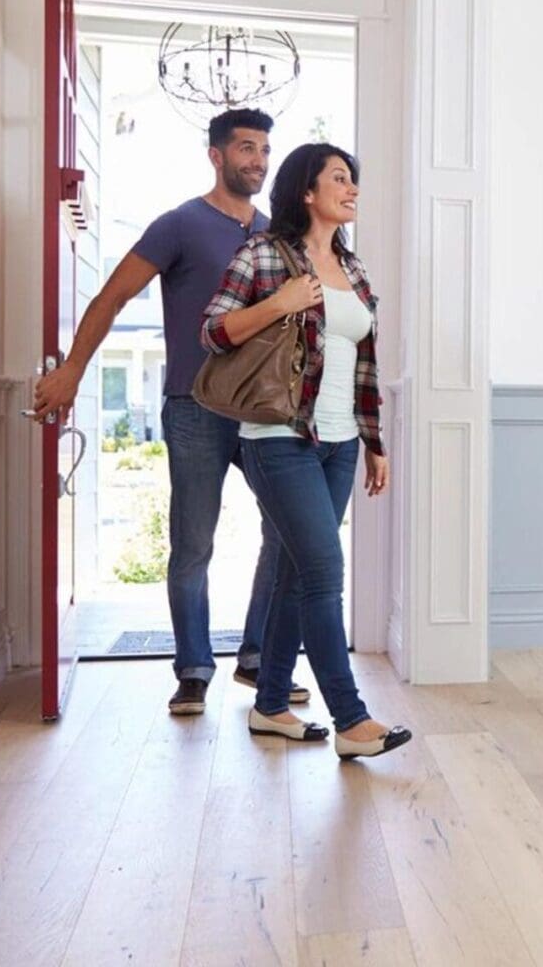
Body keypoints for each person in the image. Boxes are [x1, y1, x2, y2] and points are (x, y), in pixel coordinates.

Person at [32, 107, 309, 716]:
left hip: (265, 413)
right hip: (195, 406)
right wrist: (73, 369)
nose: (257, 161)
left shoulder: (274, 235)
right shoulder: (179, 225)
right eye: (245, 148)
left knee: (287, 533)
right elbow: (110, 297)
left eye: (264, 150)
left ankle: (259, 657)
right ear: (217, 155)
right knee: (192, 543)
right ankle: (192, 669)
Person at [200, 142, 411, 759]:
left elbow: (365, 364)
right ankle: (351, 720)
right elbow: (211, 330)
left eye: (355, 180)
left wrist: (375, 444)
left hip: (341, 443)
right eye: (340, 179)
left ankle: (269, 707)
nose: (352, 190)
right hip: (279, 439)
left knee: (295, 574)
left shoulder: (356, 268)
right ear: (307, 192)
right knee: (323, 574)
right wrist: (279, 302)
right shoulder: (263, 255)